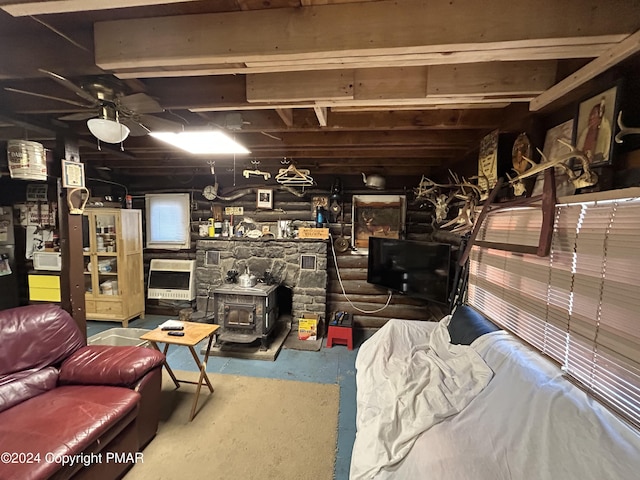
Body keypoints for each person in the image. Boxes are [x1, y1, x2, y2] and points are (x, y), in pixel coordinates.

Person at [576, 98, 612, 165]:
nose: (591, 117)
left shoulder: (604, 130)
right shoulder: (585, 132)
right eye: (591, 114)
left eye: (594, 114)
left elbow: (604, 154)